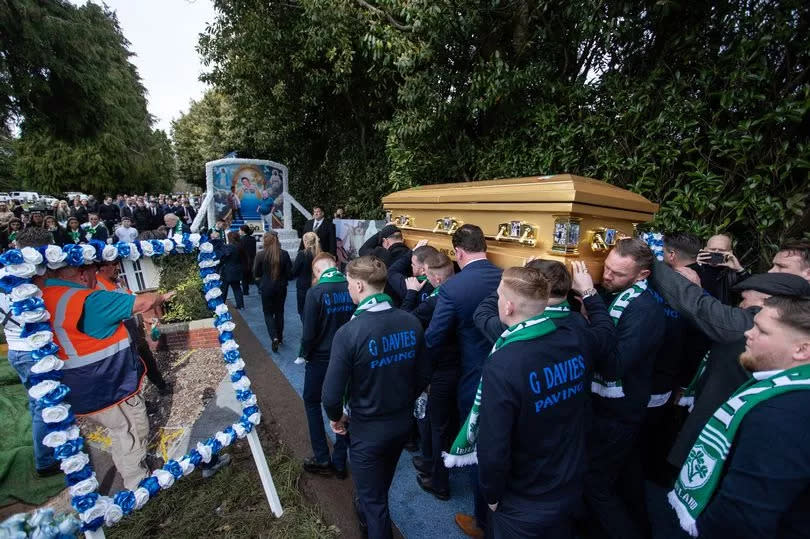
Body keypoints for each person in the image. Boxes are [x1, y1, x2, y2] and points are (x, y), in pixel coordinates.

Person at [22, 228, 173, 490]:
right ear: (82, 273)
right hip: (108, 384)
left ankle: (132, 466)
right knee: (131, 429)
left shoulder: (42, 295)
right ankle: (138, 482)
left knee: (119, 432)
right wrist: (160, 297)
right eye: (93, 271)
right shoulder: (87, 299)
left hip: (76, 385)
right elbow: (142, 303)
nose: (99, 275)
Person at [476, 263, 614, 539]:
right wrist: (590, 294)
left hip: (524, 497)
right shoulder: (578, 335)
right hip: (568, 478)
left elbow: (494, 443)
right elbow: (606, 333)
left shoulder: (505, 362)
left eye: (501, 296)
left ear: (508, 307)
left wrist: (491, 493)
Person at [648, 259, 810, 476]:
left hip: (721, 442)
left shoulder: (747, 324)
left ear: (767, 302)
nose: (741, 306)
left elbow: (699, 306)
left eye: (744, 300)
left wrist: (648, 258)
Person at [668, 295, 810, 538]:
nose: (748, 333)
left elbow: (742, 518)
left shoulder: (782, 415)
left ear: (801, 349)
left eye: (762, 331)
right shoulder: (786, 392)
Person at [322, 256, 430, 539]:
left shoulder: (349, 332)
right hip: (401, 424)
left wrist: (336, 418)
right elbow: (424, 374)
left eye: (348, 284)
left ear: (358, 285)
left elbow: (331, 395)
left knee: (375, 503)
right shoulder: (410, 321)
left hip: (367, 429)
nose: (347, 289)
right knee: (377, 490)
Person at [582, 238, 666, 539]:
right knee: (627, 480)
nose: (606, 277)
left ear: (642, 275)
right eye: (605, 268)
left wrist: (591, 298)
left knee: (596, 483)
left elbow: (615, 364)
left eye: (616, 274)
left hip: (619, 412)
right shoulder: (617, 295)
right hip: (609, 407)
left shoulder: (644, 310)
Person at [424, 223, 502, 537]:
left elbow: (434, 337)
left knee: (476, 446)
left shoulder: (454, 288)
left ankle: (483, 521)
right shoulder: (505, 276)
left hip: (472, 375)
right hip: (507, 367)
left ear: (457, 252)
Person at [406, 252, 458, 500]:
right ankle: (431, 464)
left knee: (437, 426)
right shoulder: (457, 291)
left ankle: (439, 483)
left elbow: (409, 320)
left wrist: (411, 293)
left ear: (437, 278)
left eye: (426, 274)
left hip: (440, 369)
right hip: (457, 365)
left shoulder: (436, 302)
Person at [300, 253, 354, 479]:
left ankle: (322, 456)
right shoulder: (352, 286)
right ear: (335, 266)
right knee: (343, 405)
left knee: (312, 401)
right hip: (348, 357)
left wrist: (305, 354)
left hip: (321, 358)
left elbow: (308, 333)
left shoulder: (316, 292)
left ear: (317, 272)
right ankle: (340, 460)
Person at [96, 262, 171, 395]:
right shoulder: (98, 288)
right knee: (131, 369)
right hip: (121, 336)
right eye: (113, 264)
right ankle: (138, 401)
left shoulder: (120, 283)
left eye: (117, 263)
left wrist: (145, 319)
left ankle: (162, 386)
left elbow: (132, 305)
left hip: (135, 331)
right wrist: (161, 298)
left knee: (148, 361)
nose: (117, 268)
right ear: (102, 267)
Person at [254, 232, 291, 352]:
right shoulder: (284, 254)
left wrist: (260, 284)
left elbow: (256, 273)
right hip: (281, 287)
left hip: (266, 288)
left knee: (268, 313)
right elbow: (289, 273)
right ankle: (279, 338)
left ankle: (274, 337)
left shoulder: (260, 255)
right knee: (279, 312)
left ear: (265, 241)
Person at [694, 233, 750, 304]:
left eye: (721, 250)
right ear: (705, 249)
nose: (716, 252)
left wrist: (739, 269)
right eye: (712, 249)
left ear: (730, 252)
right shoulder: (695, 268)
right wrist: (696, 266)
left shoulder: (734, 274)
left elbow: (753, 292)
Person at [390, 243, 437, 307]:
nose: (411, 265)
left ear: (423, 270)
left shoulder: (410, 284)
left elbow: (391, 271)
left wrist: (411, 252)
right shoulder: (441, 282)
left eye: (413, 264)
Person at [291, 232, 321, 320]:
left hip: (303, 286)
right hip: (318, 284)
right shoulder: (320, 253)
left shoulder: (302, 254)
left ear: (305, 241)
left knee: (303, 311)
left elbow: (294, 271)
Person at [219, 231, 246, 309]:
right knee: (237, 288)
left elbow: (223, 258)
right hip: (237, 270)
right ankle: (240, 305)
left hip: (227, 270)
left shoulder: (228, 247)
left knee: (224, 289)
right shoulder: (240, 246)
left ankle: (221, 305)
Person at [239, 224, 257, 295]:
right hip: (252, 258)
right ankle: (260, 288)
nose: (239, 231)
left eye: (240, 230)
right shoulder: (253, 239)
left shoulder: (242, 240)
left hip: (244, 259)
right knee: (254, 275)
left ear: (243, 231)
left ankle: (245, 291)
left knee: (244, 277)